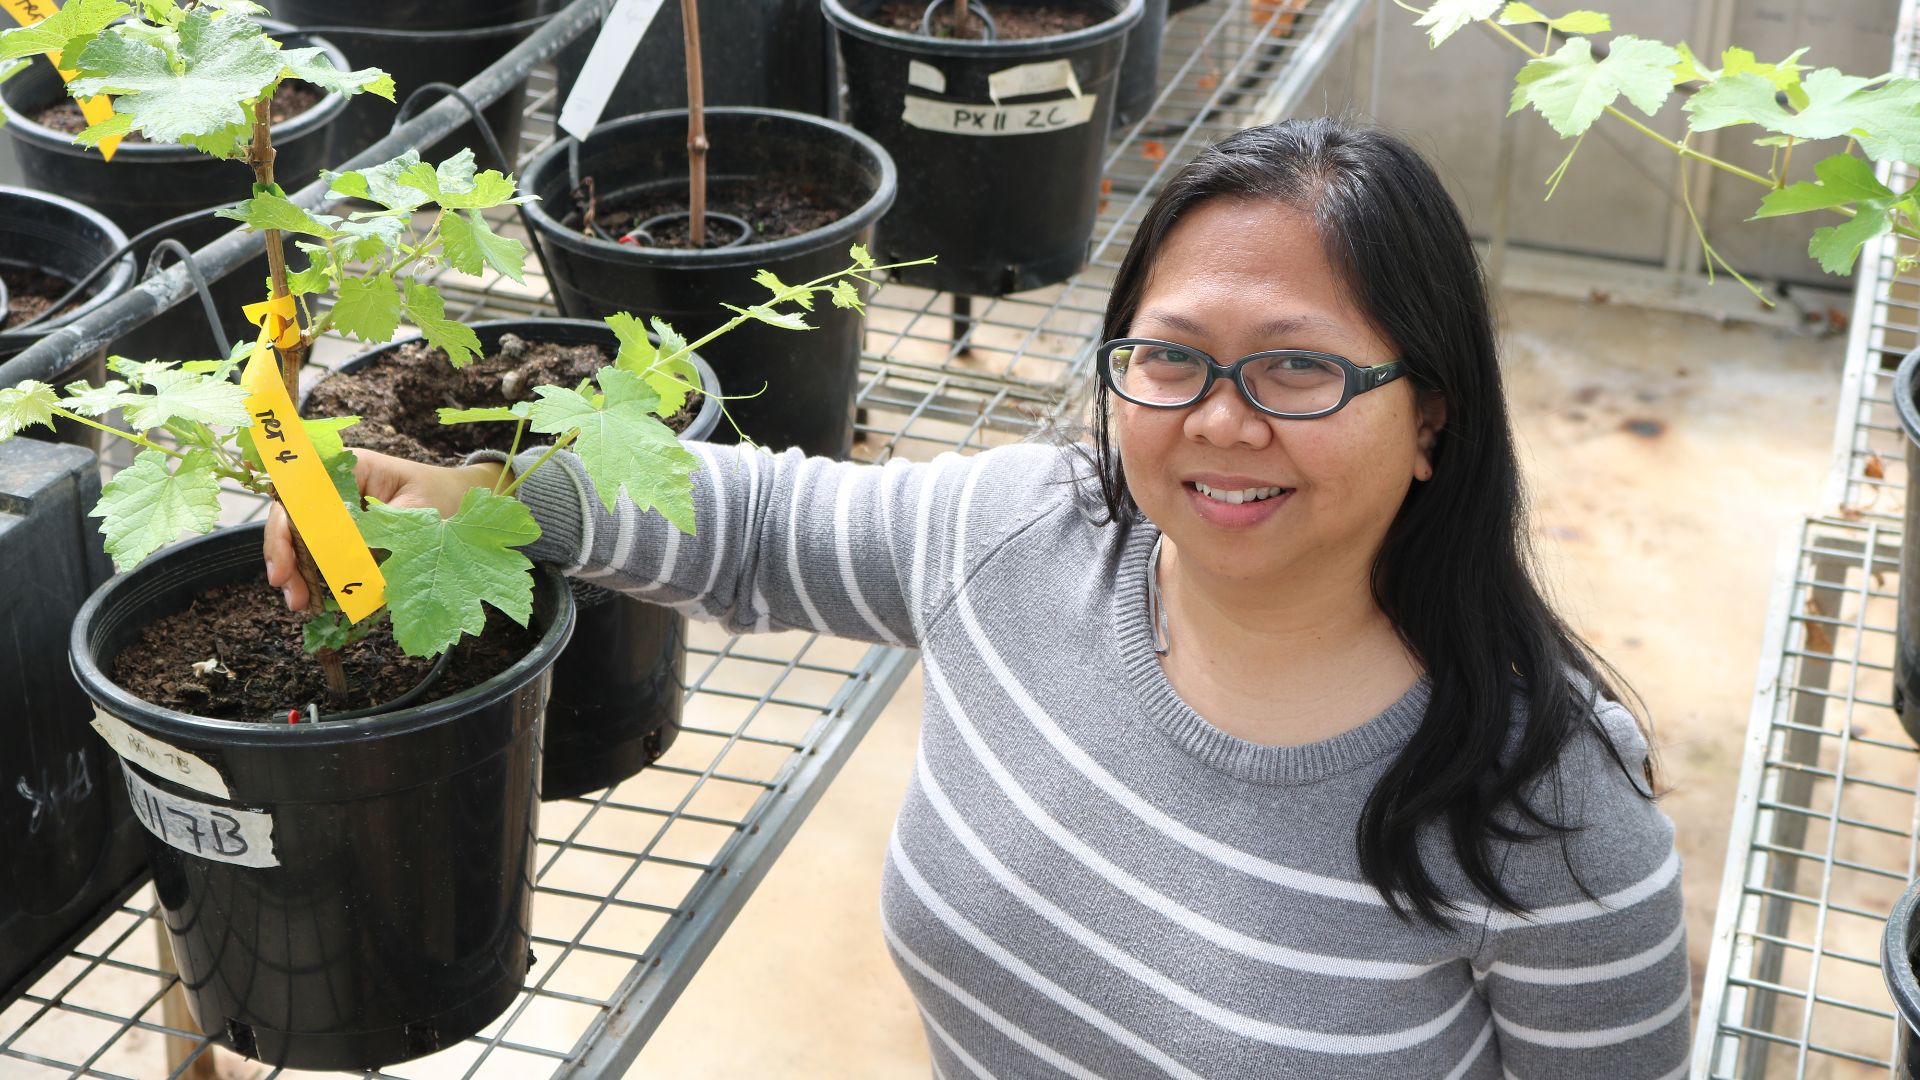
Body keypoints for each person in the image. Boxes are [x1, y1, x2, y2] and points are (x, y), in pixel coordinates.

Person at [266, 118, 1688, 1078]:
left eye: (1300, 369)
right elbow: (759, 525)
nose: (1223, 423)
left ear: (1431, 415)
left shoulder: (1551, 812)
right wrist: (492, 505)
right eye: (1173, 357)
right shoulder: (1036, 535)